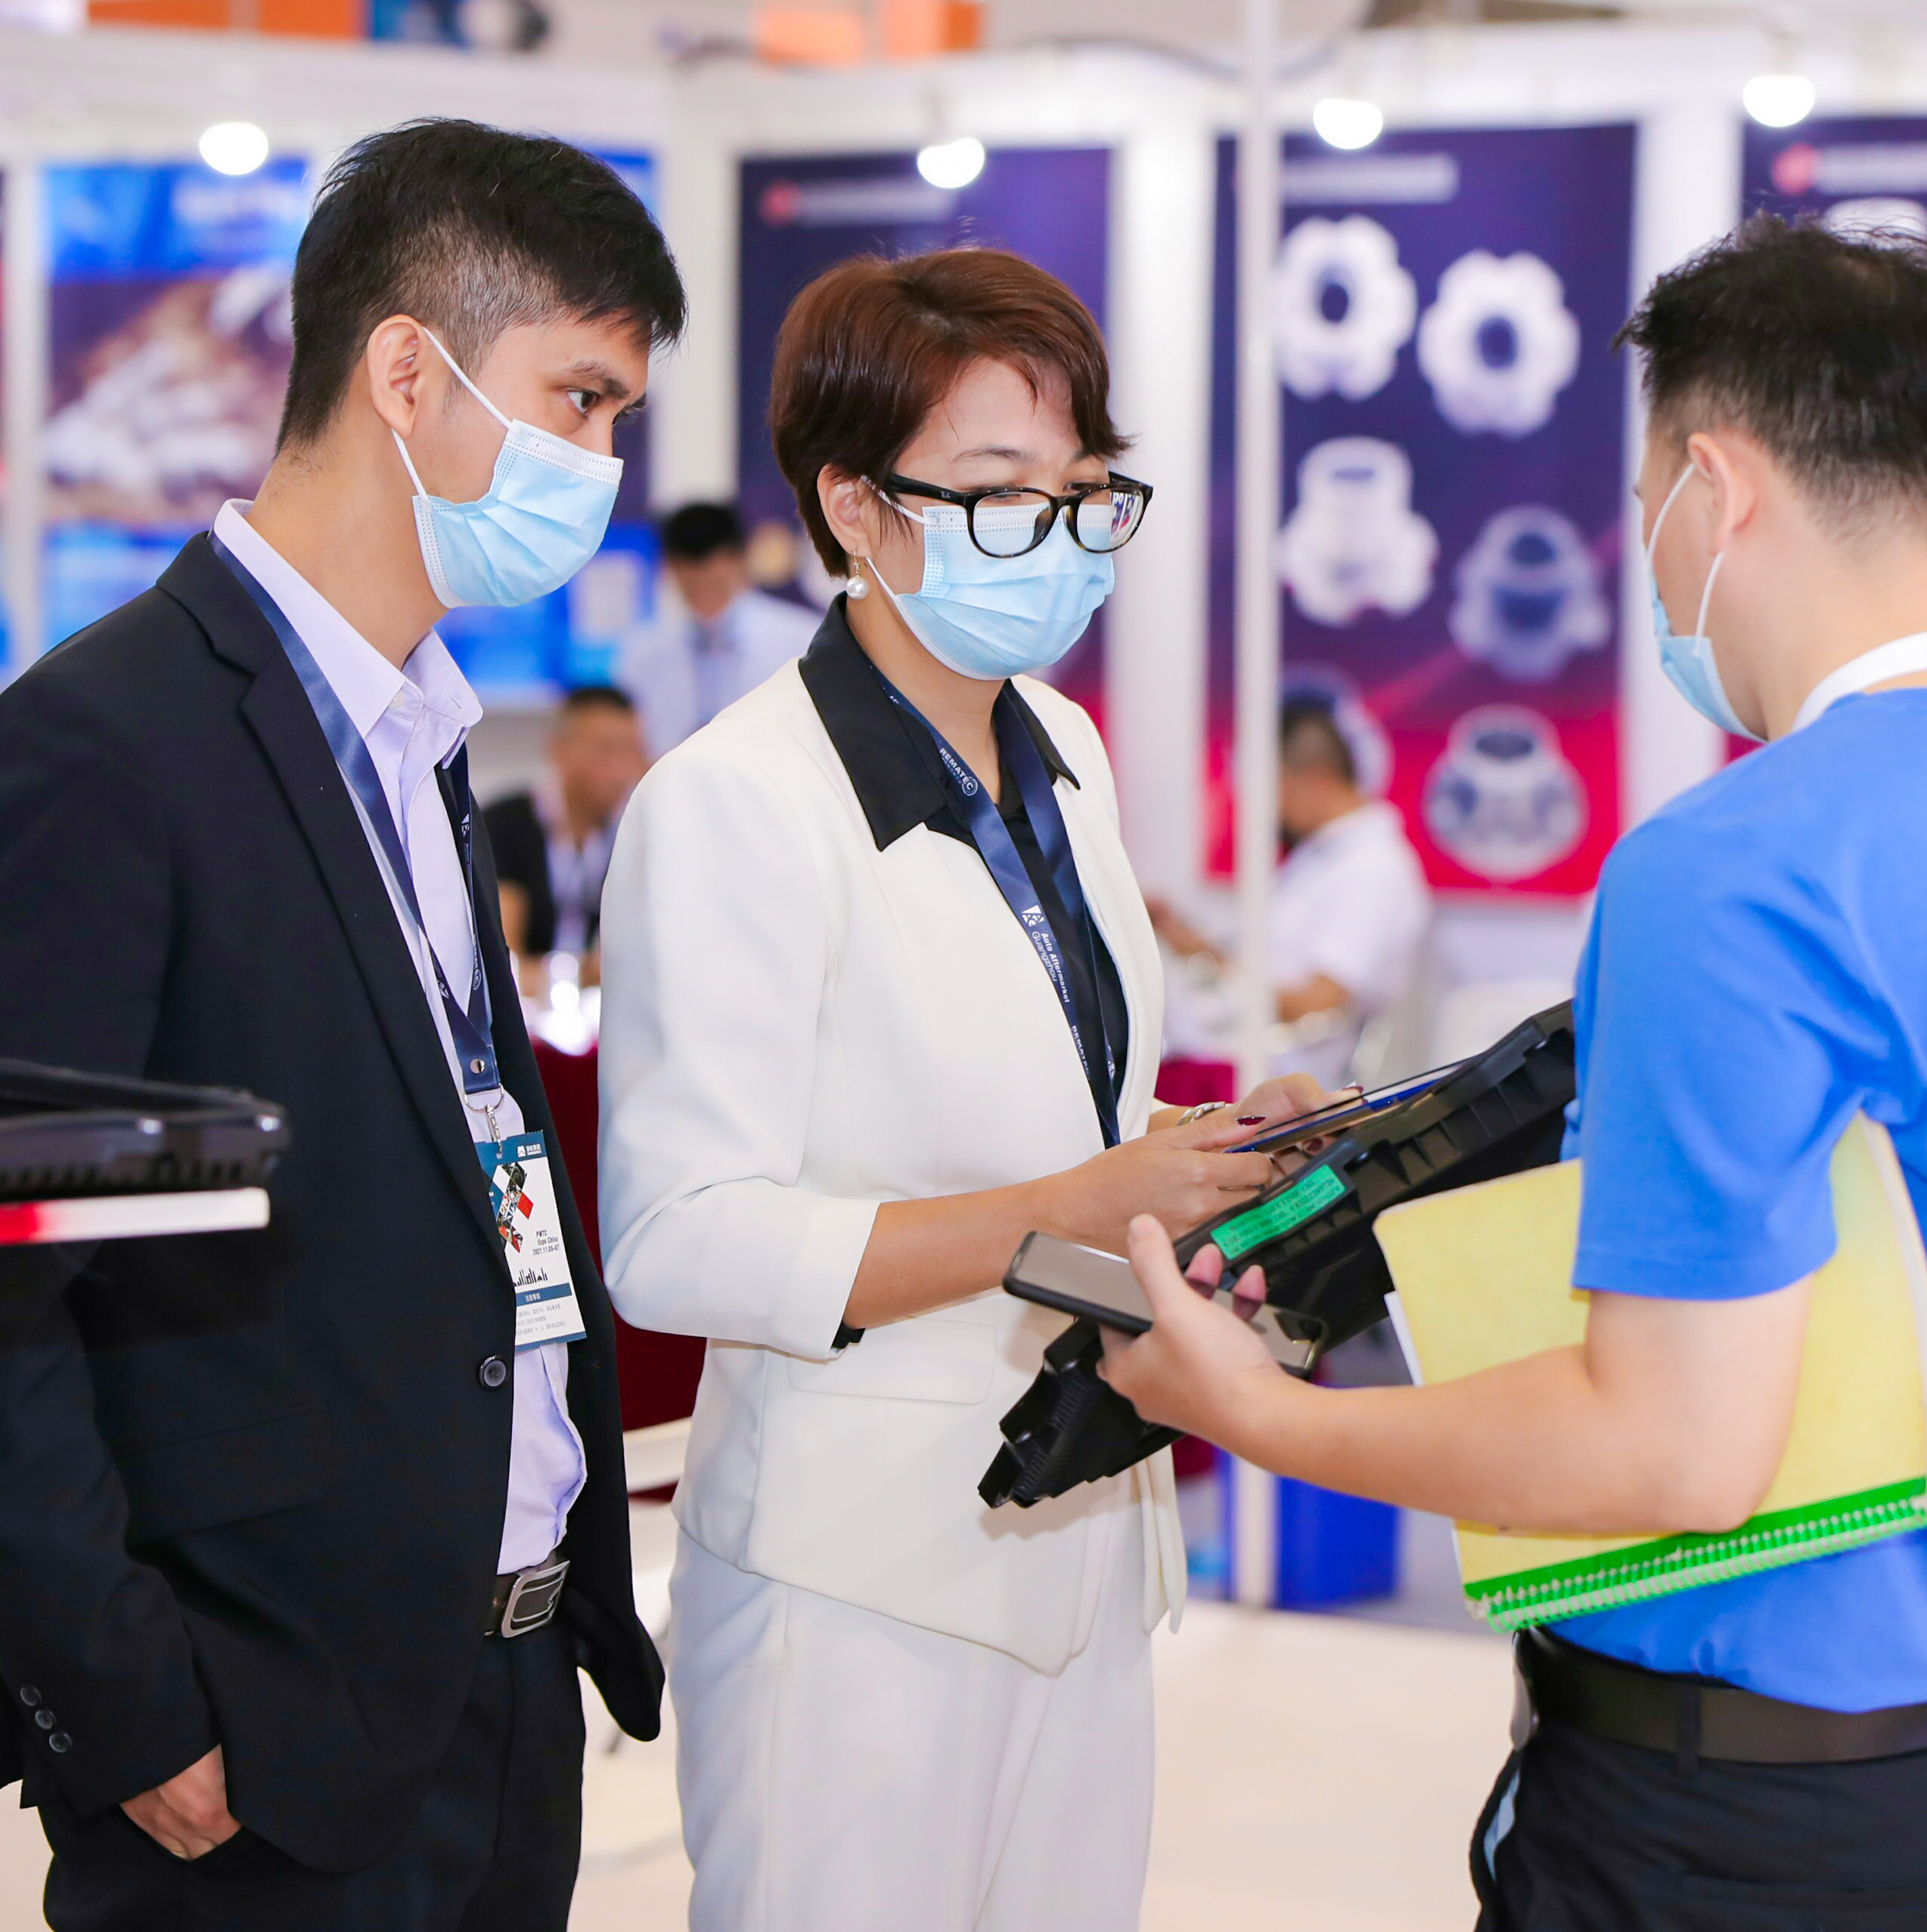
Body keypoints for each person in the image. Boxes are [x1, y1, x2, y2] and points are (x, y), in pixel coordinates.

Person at [1099, 217, 1927, 1930]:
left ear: (1715, 484)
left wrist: (1258, 1413)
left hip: (1738, 1830)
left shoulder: (1736, 867)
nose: (1649, 551)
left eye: (1645, 501)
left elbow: (1673, 1452)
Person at [0, 120, 682, 1930]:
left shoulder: (424, 740)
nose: (603, 465)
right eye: (580, 399)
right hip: (254, 1737)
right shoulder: (103, 742)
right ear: (408, 372)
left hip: (501, 1696)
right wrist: (123, 1695)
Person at [595, 247, 1323, 1932]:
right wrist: (1072, 1205)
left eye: (1080, 491)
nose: (1056, 538)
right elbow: (679, 1238)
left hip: (1082, 1518)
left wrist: (1188, 1153)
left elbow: (1053, 1115)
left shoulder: (1061, 748)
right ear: (854, 507)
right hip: (854, 1577)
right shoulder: (733, 801)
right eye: (1000, 494)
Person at [1148, 691, 1434, 1089]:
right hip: (1241, 1053)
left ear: (1314, 780)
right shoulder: (1320, 857)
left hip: (1274, 1075)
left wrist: (1216, 964)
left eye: (1273, 791)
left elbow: (1314, 1005)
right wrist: (1189, 942)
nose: (1269, 810)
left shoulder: (1376, 871)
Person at [611, 498, 817, 755]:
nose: (701, 580)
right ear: (669, 569)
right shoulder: (641, 653)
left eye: (712, 572)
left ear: (739, 560)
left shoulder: (802, 640)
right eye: (689, 574)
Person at [482, 683, 647, 988]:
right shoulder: (505, 825)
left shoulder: (636, 835)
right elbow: (504, 963)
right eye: (607, 750)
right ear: (559, 750)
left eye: (634, 750)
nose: (622, 770)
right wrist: (581, 974)